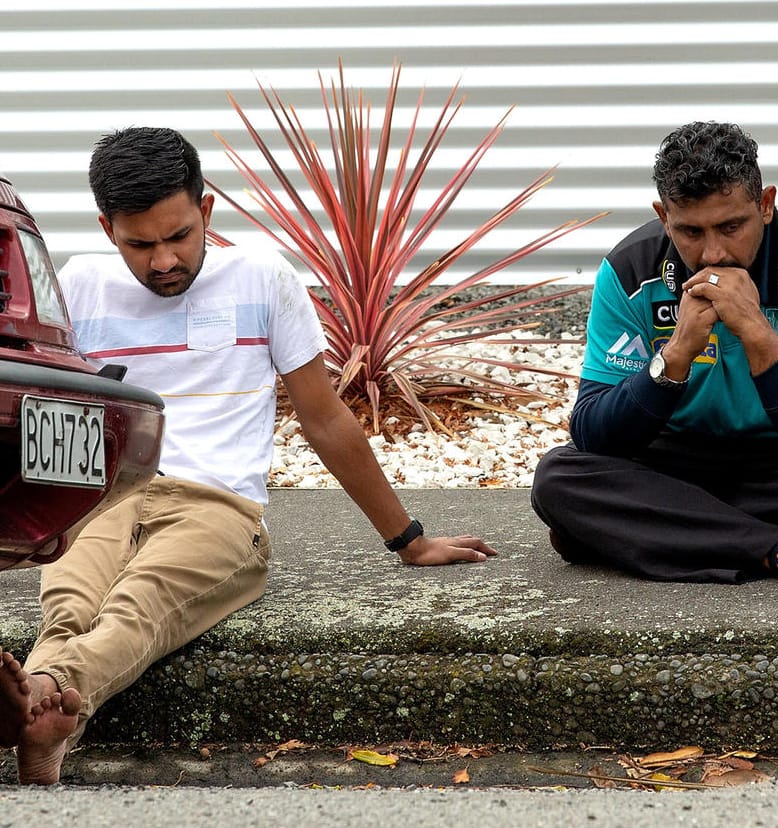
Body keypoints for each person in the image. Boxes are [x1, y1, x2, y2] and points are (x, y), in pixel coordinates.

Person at [0, 127, 494, 784]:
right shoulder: (82, 284)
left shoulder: (261, 278)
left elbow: (324, 419)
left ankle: (46, 693)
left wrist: (408, 539)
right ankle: (47, 726)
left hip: (217, 507)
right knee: (69, 600)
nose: (162, 261)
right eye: (139, 244)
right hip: (108, 500)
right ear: (106, 228)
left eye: (179, 235)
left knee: (138, 603)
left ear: (206, 212)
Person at [530, 121, 778, 589]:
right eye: (689, 231)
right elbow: (593, 433)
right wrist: (675, 356)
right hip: (681, 458)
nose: (712, 253)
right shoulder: (628, 271)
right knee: (558, 479)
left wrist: (759, 335)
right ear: (663, 216)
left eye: (731, 226)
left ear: (765, 205)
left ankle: (637, 531)